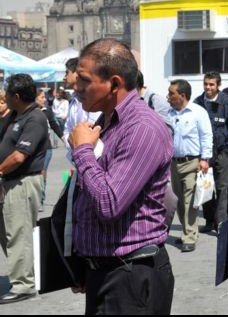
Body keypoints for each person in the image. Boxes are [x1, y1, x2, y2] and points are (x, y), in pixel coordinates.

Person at [68, 39, 174, 314]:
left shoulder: (141, 128)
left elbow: (109, 203)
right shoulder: (106, 123)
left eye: (83, 80)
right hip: (104, 271)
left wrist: (82, 151)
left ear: (114, 84)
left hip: (130, 276)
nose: (75, 87)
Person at [0, 74, 48, 304]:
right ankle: (22, 274)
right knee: (8, 232)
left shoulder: (35, 119)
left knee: (19, 233)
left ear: (16, 96)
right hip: (8, 183)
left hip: (22, 182)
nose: (4, 97)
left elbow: (19, 156)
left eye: (7, 93)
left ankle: (24, 286)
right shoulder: (15, 116)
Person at [167, 79, 213, 253]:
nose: (168, 97)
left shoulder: (198, 112)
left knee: (190, 201)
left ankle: (189, 236)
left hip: (192, 163)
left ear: (182, 95)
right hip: (173, 163)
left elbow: (206, 136)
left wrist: (205, 158)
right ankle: (188, 230)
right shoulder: (169, 114)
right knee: (178, 200)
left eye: (172, 93)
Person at [193, 72, 228, 235]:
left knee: (221, 188)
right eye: (206, 84)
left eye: (211, 84)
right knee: (205, 187)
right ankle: (209, 220)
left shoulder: (227, 104)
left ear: (218, 85)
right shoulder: (198, 103)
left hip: (221, 153)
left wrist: (227, 147)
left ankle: (220, 223)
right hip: (204, 154)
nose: (208, 87)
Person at [63, 57, 102, 162]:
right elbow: (67, 130)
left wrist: (78, 144)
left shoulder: (91, 98)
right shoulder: (73, 100)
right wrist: (74, 146)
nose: (64, 77)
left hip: (94, 158)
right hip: (78, 157)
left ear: (77, 74)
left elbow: (93, 129)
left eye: (67, 73)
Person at [35, 88, 64, 205]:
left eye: (44, 97)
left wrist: (64, 139)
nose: (44, 99)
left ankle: (40, 199)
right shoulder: (28, 112)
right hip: (32, 149)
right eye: (42, 97)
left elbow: (54, 125)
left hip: (46, 148)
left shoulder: (47, 111)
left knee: (42, 171)